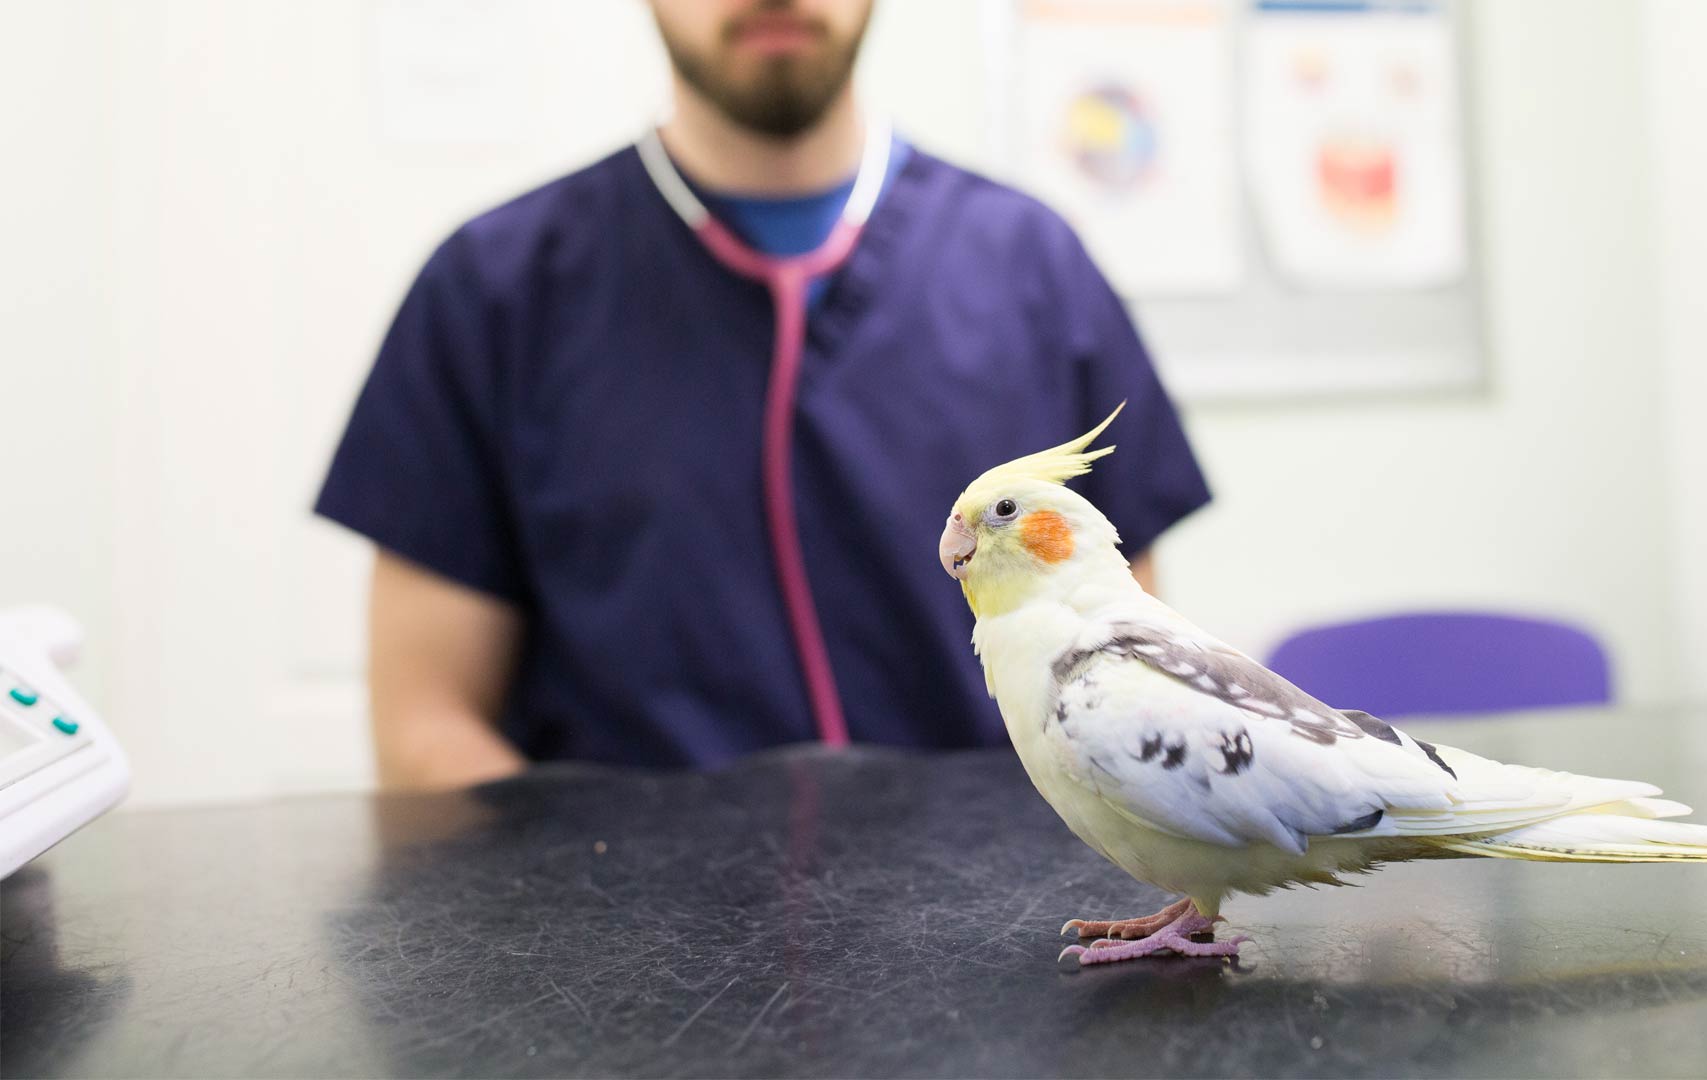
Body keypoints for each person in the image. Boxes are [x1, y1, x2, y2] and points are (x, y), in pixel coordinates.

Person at [315, 0, 1210, 790]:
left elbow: (1132, 668)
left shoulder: (1035, 268)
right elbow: (424, 727)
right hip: (621, 950)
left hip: (1013, 937)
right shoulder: (492, 292)